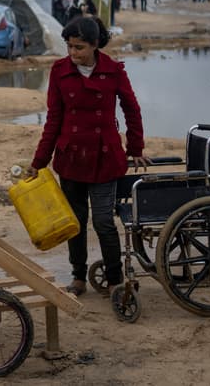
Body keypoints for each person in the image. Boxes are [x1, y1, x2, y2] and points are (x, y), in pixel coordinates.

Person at [27, 17, 147, 297]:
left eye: (79, 47)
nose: (73, 53)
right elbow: (53, 120)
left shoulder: (113, 70)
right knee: (75, 222)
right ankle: (78, 277)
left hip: (105, 158)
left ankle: (115, 280)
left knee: (104, 221)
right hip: (71, 159)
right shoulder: (59, 71)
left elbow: (132, 109)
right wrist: (38, 162)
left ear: (95, 45)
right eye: (69, 46)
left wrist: (135, 149)